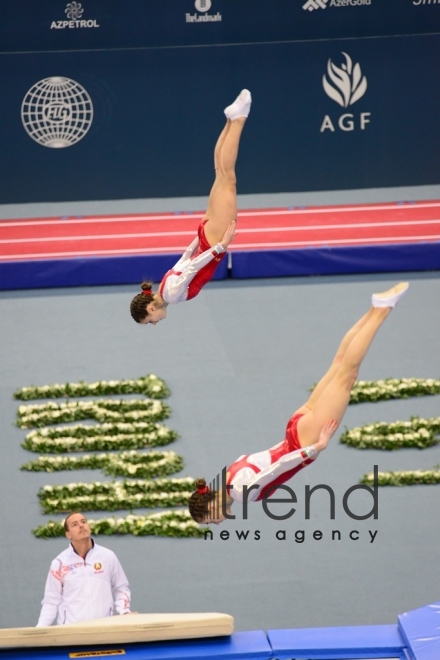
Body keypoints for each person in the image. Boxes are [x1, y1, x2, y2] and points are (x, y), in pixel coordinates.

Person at [188, 282, 409, 523]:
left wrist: (315, 448)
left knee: (347, 376)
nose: (218, 523)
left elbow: (279, 466)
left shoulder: (241, 494)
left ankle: (382, 309)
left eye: (211, 519)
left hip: (305, 439)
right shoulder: (229, 474)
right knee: (337, 365)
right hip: (294, 428)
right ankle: (372, 310)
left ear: (211, 507)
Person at [130, 89, 252, 325]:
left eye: (150, 321)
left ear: (151, 309)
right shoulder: (164, 286)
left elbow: (193, 266)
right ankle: (229, 119)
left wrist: (220, 246)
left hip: (212, 240)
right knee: (220, 175)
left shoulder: (172, 296)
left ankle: (238, 120)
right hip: (205, 234)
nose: (155, 323)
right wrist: (198, 238)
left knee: (228, 179)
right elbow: (186, 257)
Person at [36, 512, 131, 626]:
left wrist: (124, 611)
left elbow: (121, 587)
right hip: (71, 632)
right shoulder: (59, 563)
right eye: (75, 524)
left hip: (104, 628)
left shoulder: (108, 556)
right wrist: (40, 629)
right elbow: (51, 601)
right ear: (68, 535)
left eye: (83, 522)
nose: (81, 525)